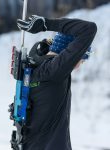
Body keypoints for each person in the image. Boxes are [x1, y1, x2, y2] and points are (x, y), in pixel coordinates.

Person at [17, 15, 97, 150]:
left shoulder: (34, 64)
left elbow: (40, 47)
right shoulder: (54, 71)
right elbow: (89, 28)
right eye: (81, 59)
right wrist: (46, 24)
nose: (80, 64)